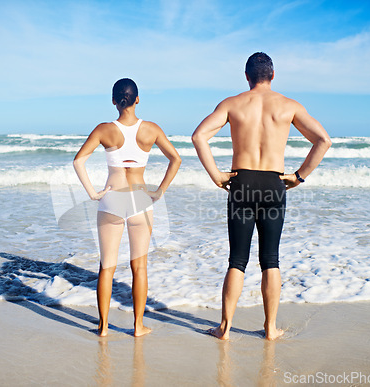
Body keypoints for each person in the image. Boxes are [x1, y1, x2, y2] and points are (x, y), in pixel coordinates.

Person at [192, 52, 331, 340]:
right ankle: (270, 329)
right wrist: (299, 175)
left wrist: (216, 174)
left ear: (247, 77)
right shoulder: (289, 106)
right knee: (271, 259)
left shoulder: (232, 104)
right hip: (273, 185)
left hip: (241, 183)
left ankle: (225, 328)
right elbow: (323, 140)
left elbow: (199, 136)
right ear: (273, 75)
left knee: (237, 260)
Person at [74, 78, 181, 337]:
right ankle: (137, 326)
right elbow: (176, 159)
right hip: (140, 200)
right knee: (139, 267)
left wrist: (93, 193)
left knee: (106, 267)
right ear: (137, 99)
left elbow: (78, 161)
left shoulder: (104, 129)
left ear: (114, 101)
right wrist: (159, 191)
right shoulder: (151, 129)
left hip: (111, 198)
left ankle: (102, 328)